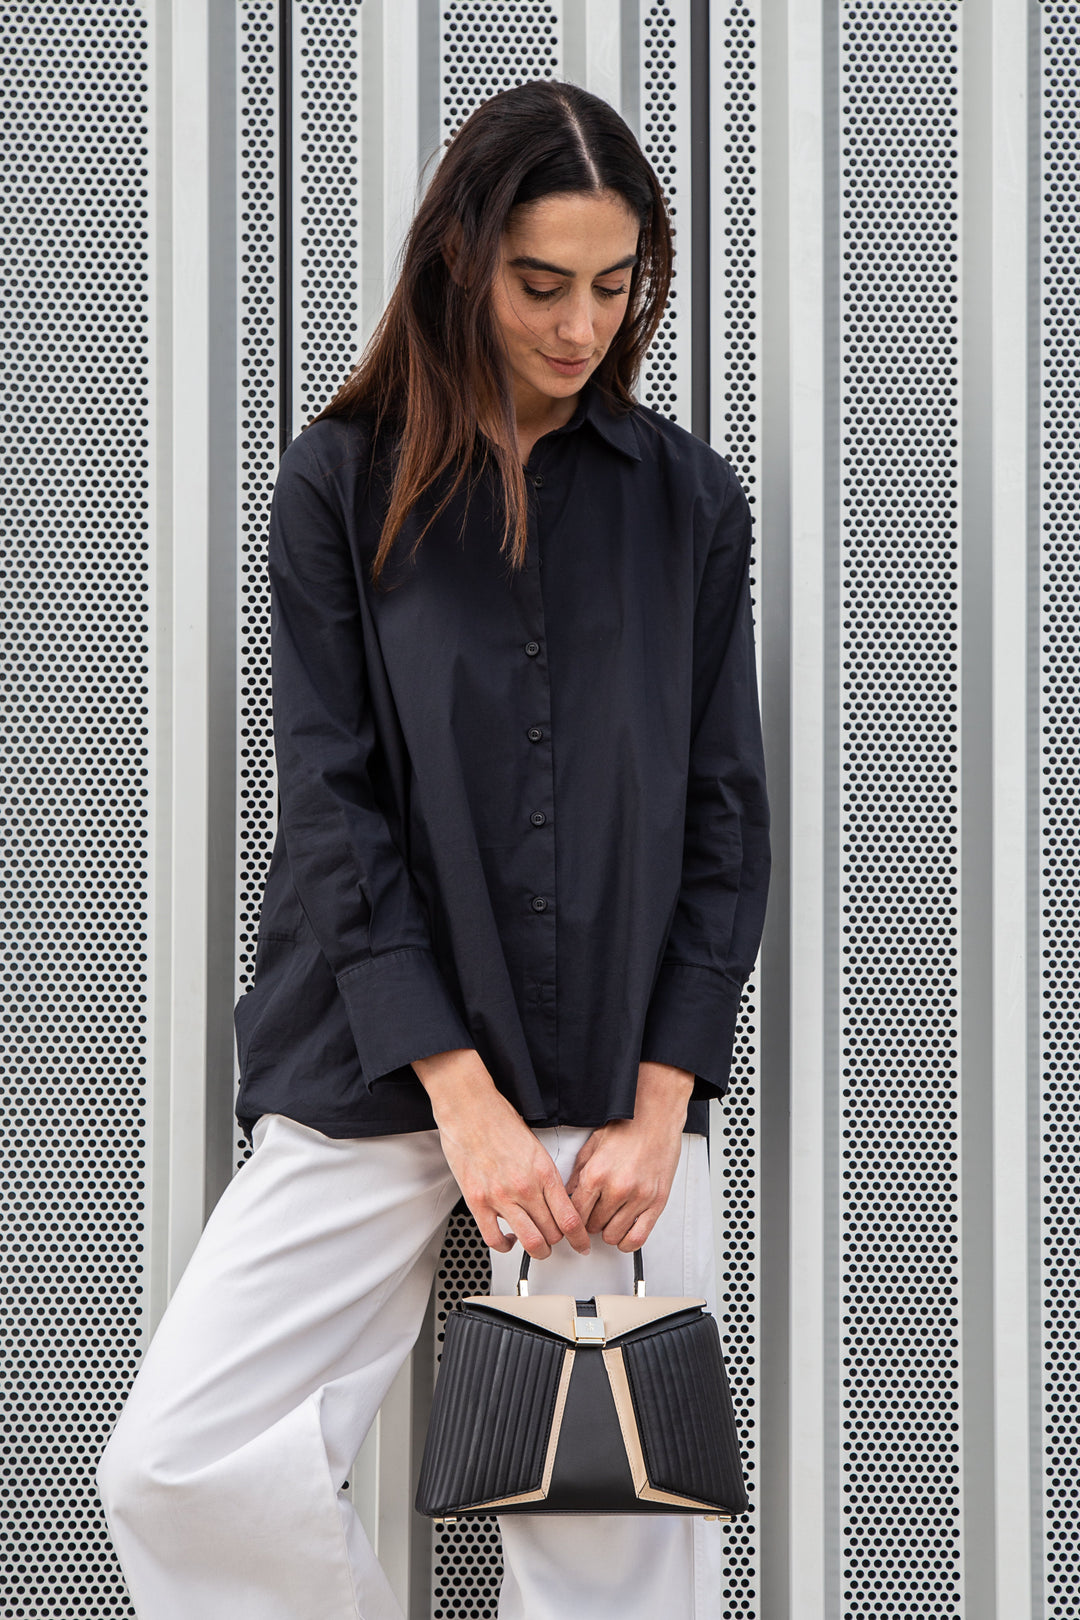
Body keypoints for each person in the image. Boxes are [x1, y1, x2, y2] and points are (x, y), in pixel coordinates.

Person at [96, 78, 771, 1620]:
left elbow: (724, 819)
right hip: (374, 1057)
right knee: (181, 1463)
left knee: (615, 1536)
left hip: (614, 1093)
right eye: (542, 283)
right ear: (461, 261)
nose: (580, 324)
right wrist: (457, 1096)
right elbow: (333, 803)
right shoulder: (341, 484)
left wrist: (664, 1100)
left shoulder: (688, 502)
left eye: (616, 285)